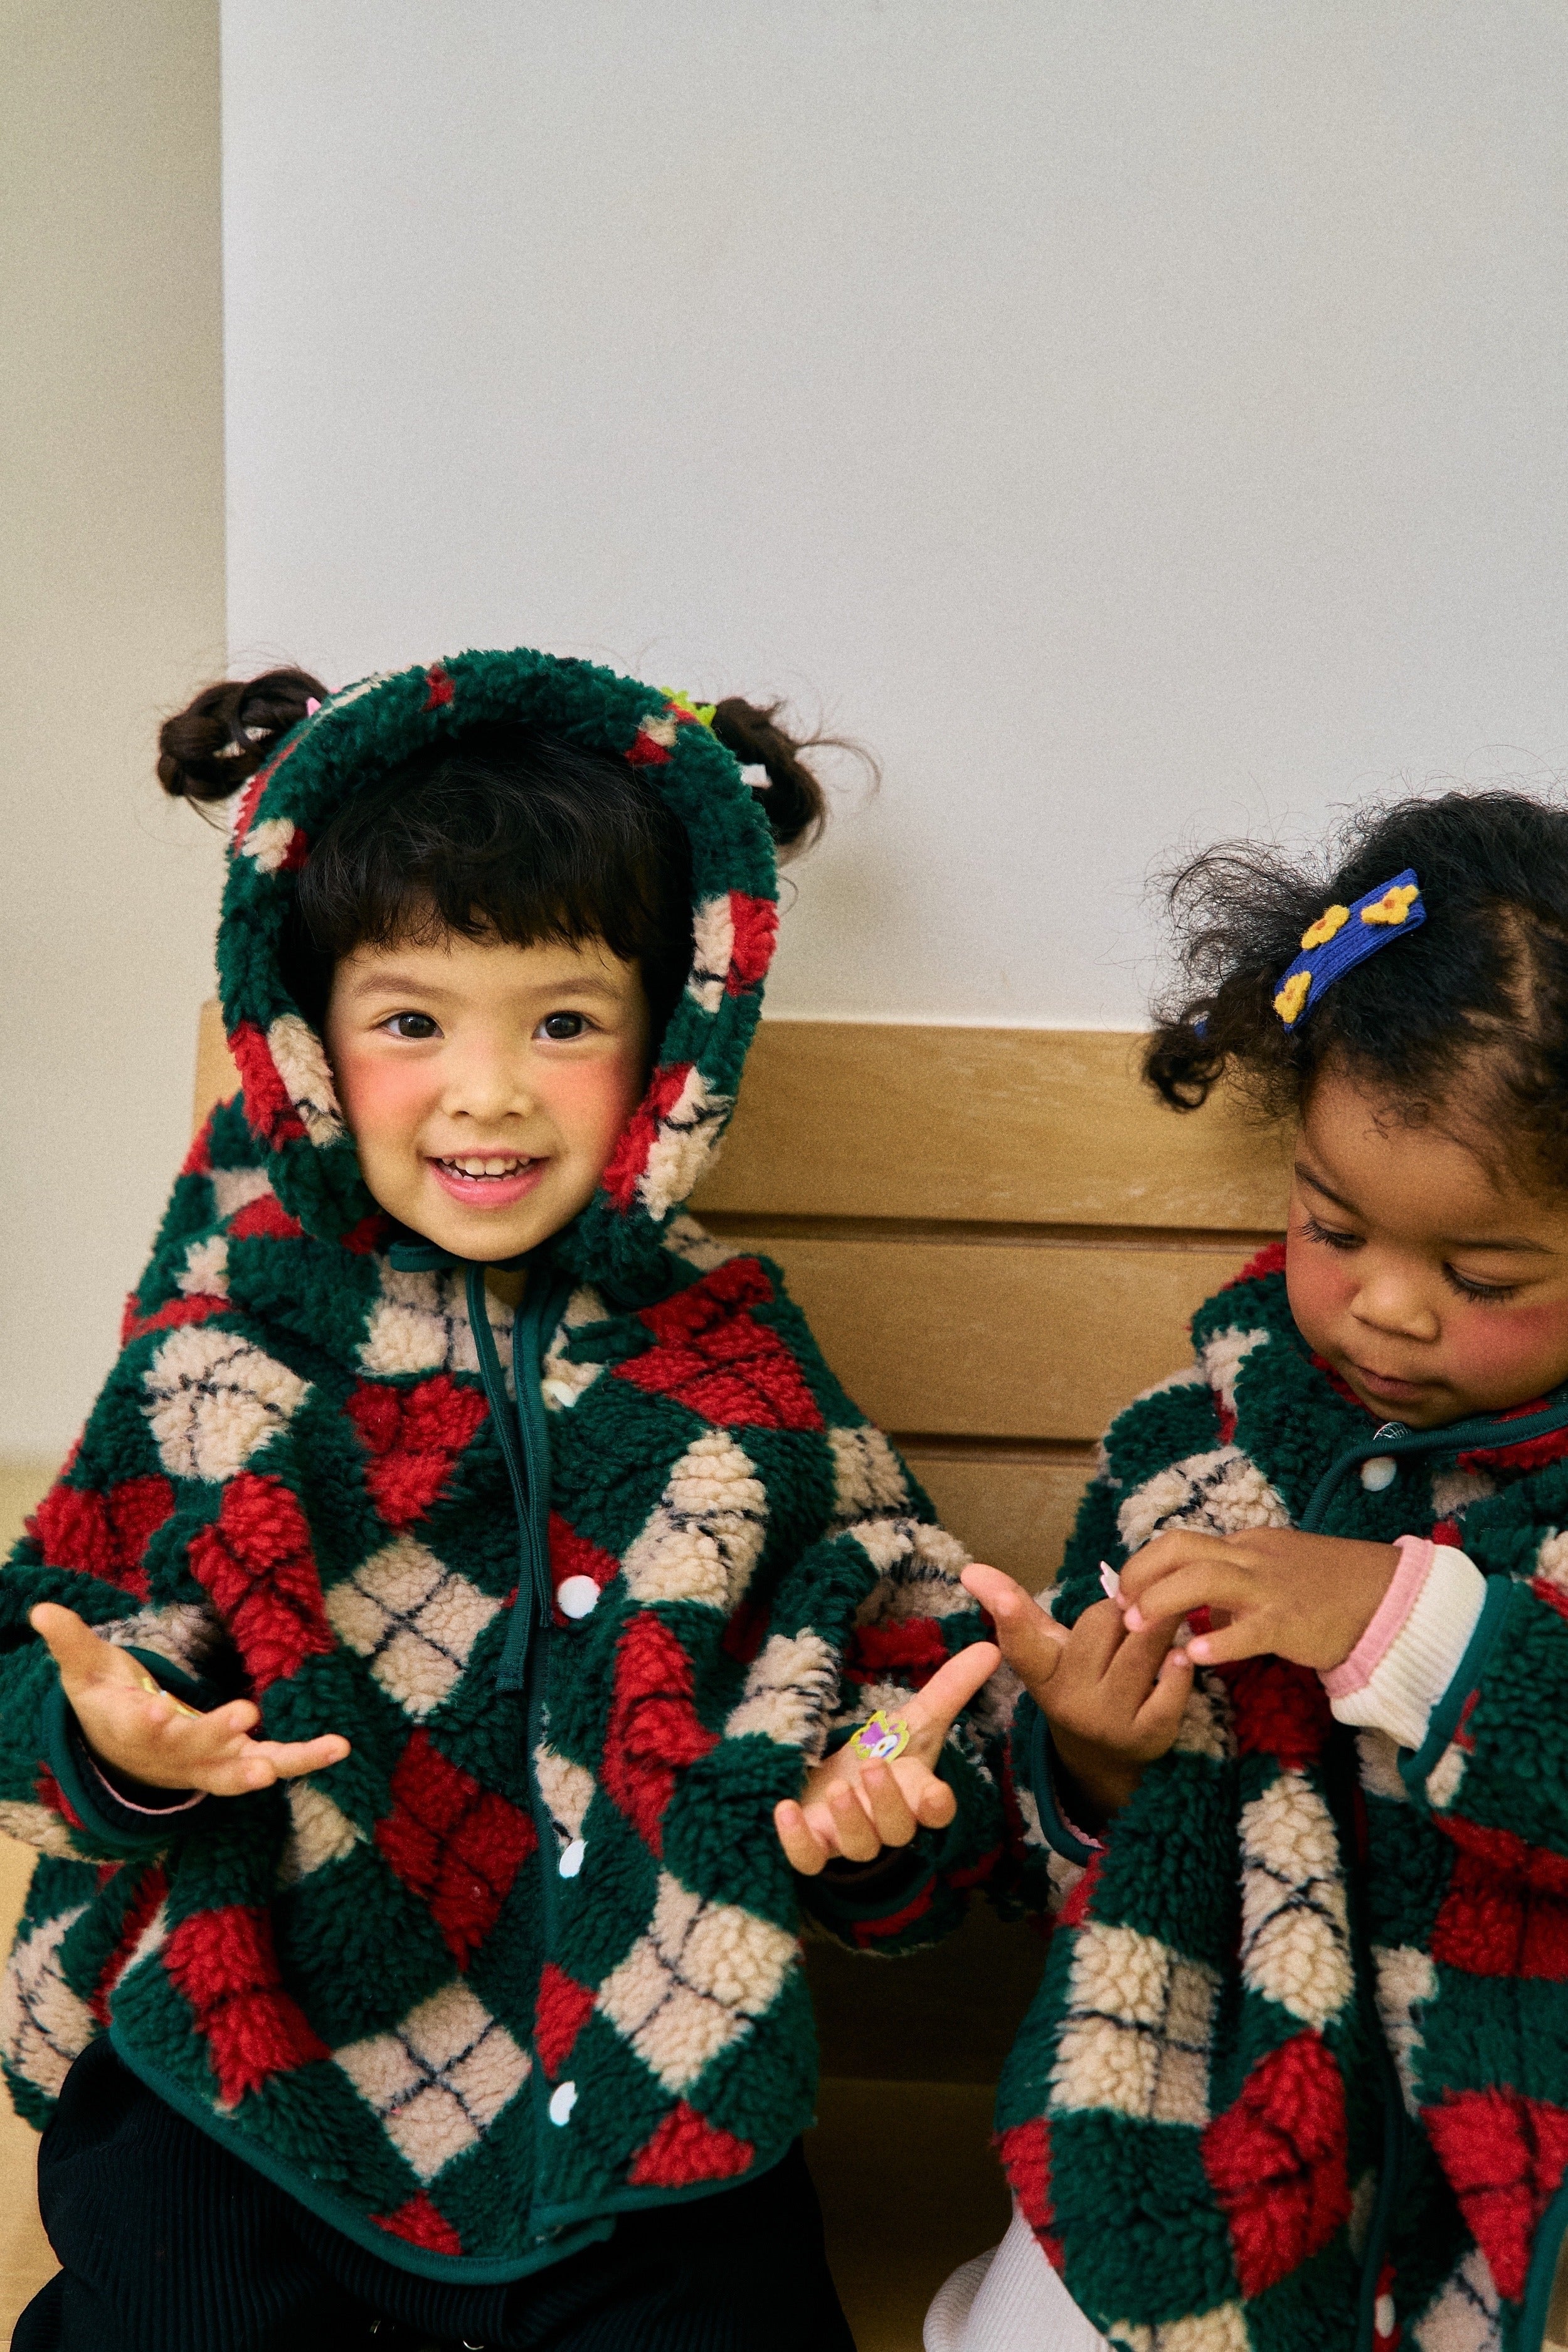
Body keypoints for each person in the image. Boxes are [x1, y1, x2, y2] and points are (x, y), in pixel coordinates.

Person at [0, 648, 1017, 2352]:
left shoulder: (732, 1368)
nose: (488, 1090)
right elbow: (42, 1655)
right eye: (412, 1022)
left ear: (669, 1042)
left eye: (562, 1022)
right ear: (307, 1037)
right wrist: (123, 1749)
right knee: (161, 2298)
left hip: (634, 2075)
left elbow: (906, 1668)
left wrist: (871, 1787)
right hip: (253, 2055)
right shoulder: (231, 1347)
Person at [929, 792, 1568, 2352]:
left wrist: (1385, 1616)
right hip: (1215, 2090)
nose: (1385, 1309)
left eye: (1477, 1273)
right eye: (1330, 1229)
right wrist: (1090, 1753)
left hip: (1519, 2102)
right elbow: (1030, 1806)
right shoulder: (1193, 1450)